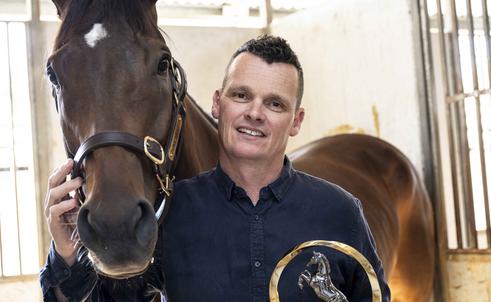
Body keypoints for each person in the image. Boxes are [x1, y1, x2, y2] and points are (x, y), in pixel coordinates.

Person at [40, 35, 391, 301]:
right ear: (217, 103)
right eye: (241, 95)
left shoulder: (341, 212)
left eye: (274, 103)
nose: (254, 113)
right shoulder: (169, 216)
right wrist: (67, 258)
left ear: (296, 121)